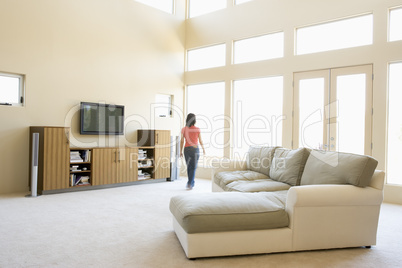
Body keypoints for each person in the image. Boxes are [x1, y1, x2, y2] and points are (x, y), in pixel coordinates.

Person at [180, 113, 205, 190]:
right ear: (194, 120)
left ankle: (189, 182)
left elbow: (181, 141)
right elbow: (200, 140)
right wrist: (203, 148)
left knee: (189, 166)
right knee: (193, 167)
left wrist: (180, 151)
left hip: (186, 149)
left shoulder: (184, 129)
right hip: (195, 149)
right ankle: (190, 183)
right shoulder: (197, 129)